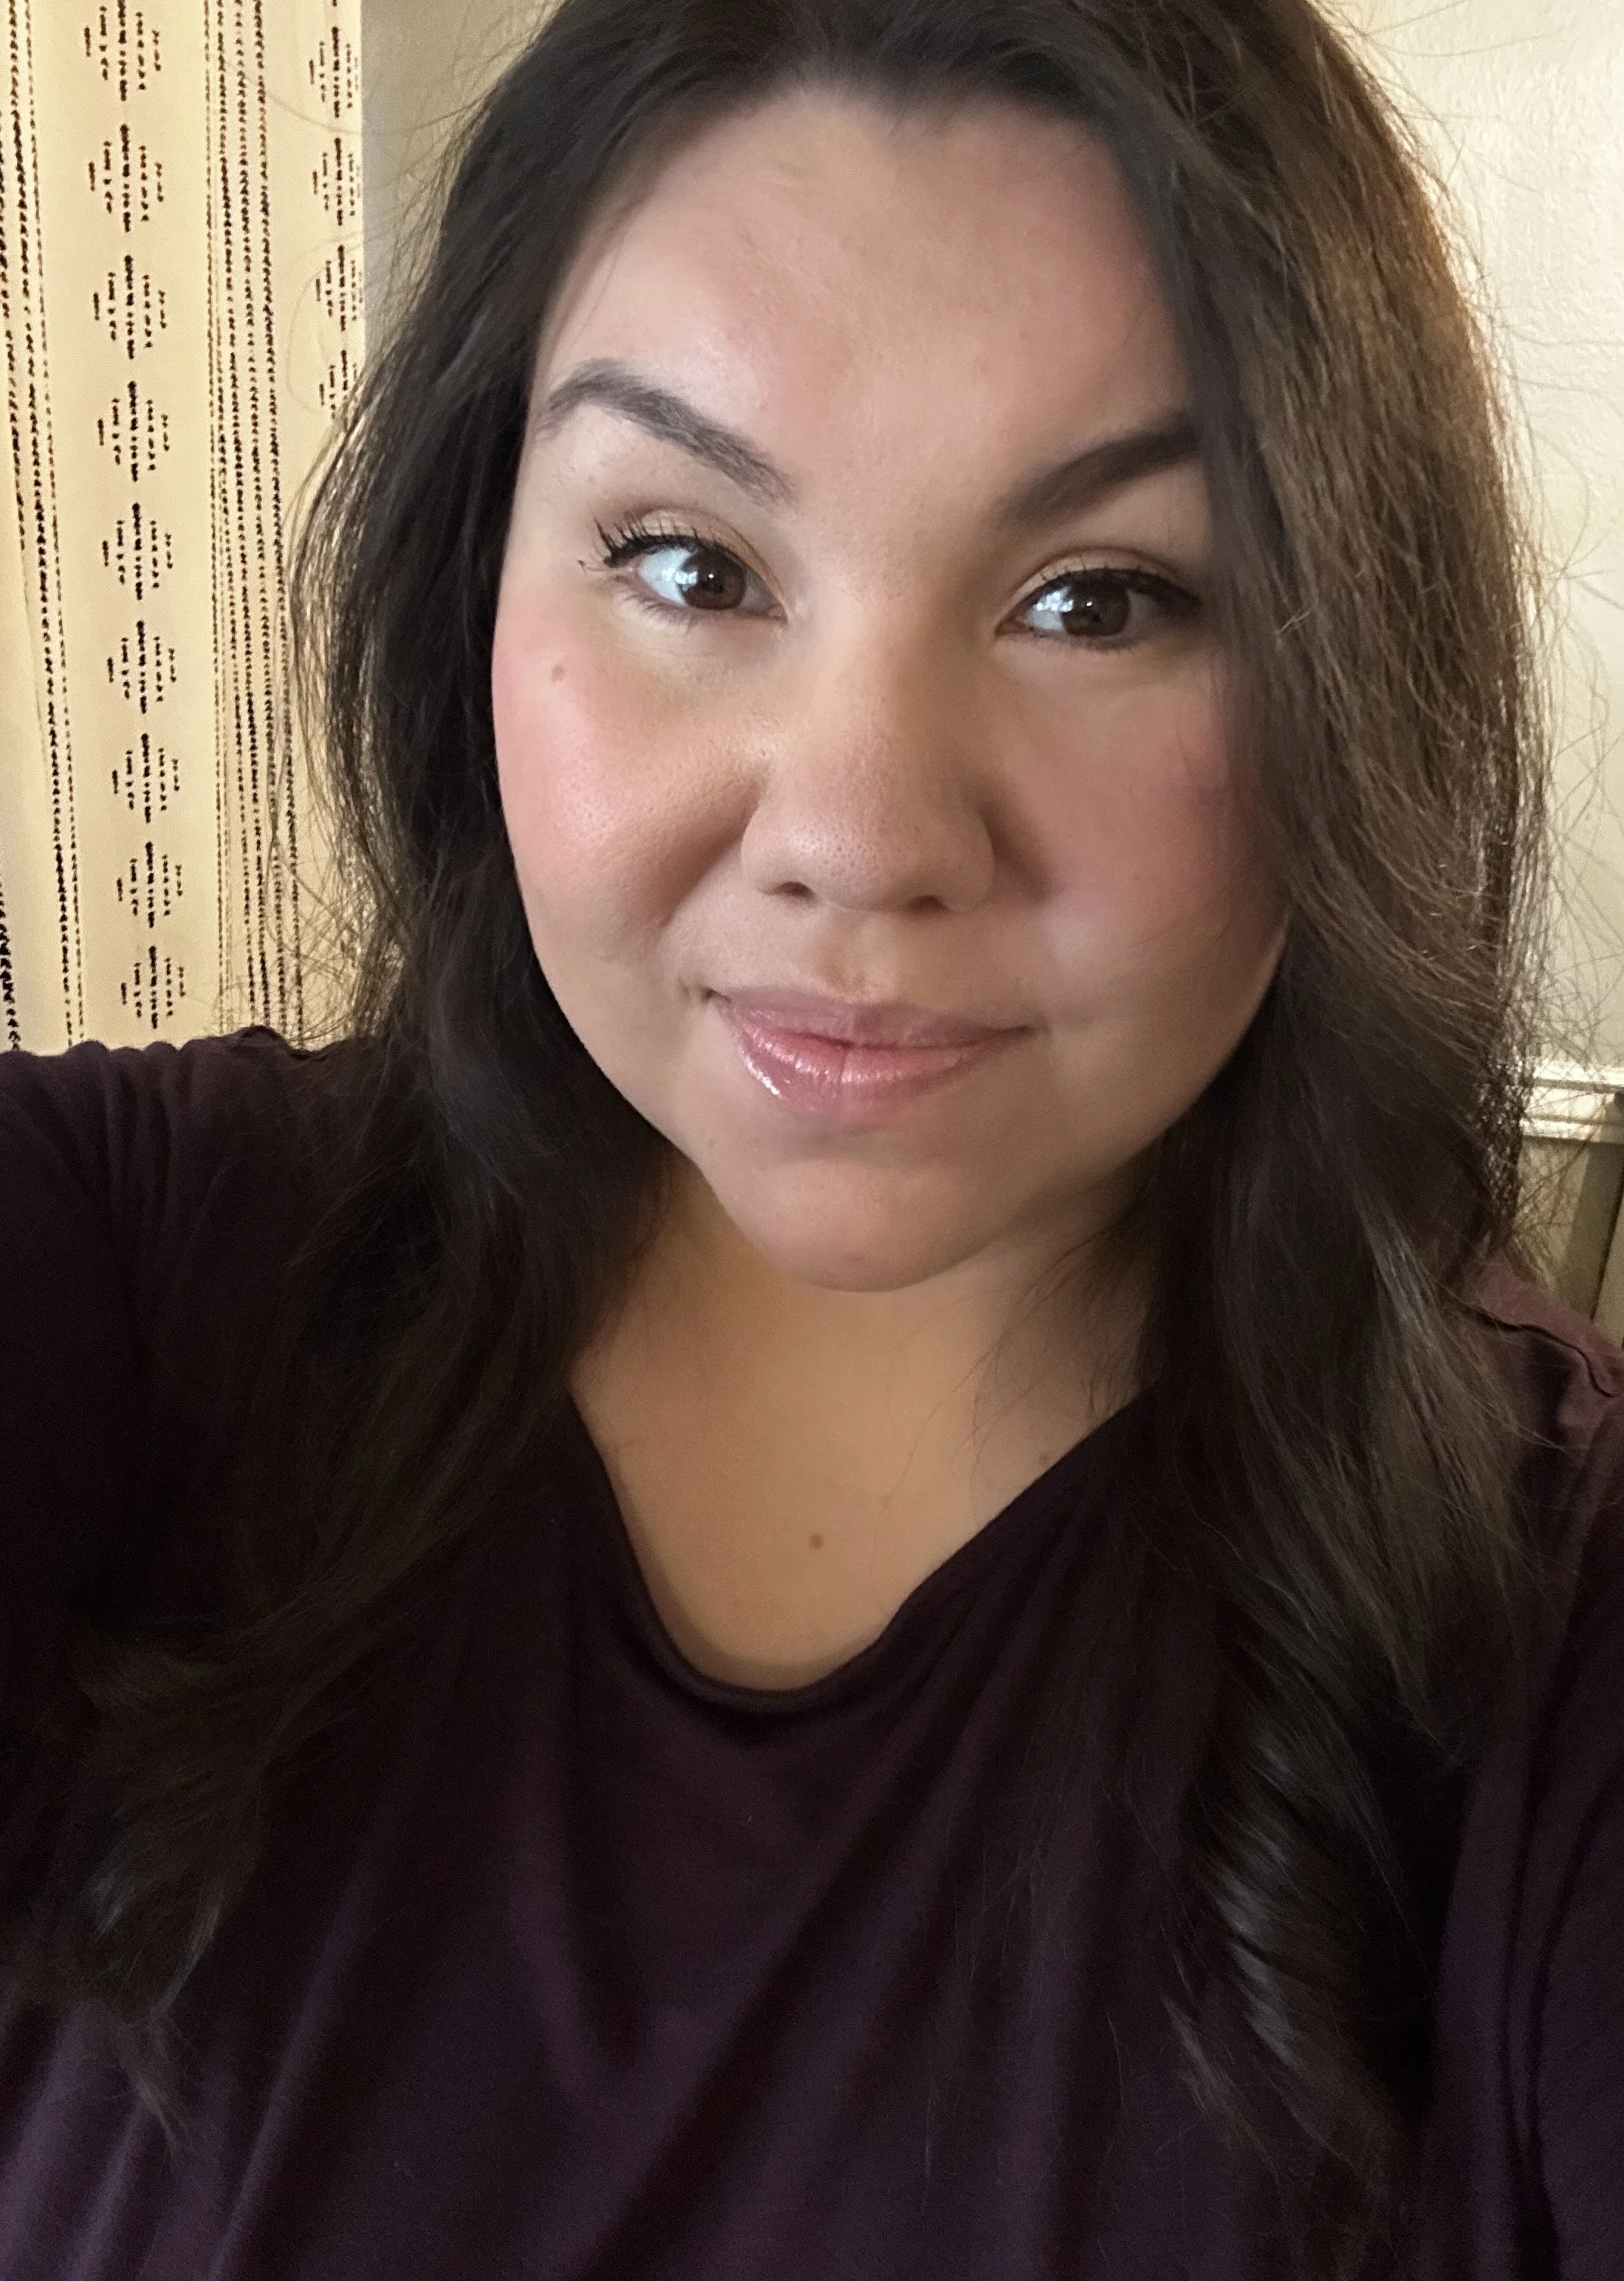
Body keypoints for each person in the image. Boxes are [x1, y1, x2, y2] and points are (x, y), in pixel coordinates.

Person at [1, 0, 1620, 2273]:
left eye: (1102, 599)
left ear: (1351, 681)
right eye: (686, 562)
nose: (858, 836)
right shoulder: (116, 1284)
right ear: (472, 584)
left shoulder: (1545, 1636)